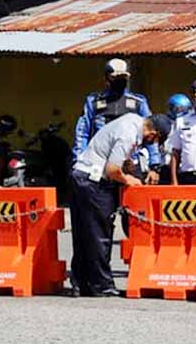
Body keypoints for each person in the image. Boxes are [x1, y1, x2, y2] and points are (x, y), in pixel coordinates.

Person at [70, 113, 173, 297]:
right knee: (100, 234)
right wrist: (129, 179)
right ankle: (101, 285)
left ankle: (80, 282)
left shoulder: (131, 120)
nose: (150, 143)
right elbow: (112, 170)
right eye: (155, 140)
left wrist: (124, 166)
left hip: (81, 176)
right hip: (93, 182)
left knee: (83, 233)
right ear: (153, 133)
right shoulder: (129, 134)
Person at [73, 58, 159, 184]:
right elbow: (82, 134)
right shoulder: (94, 102)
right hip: (99, 165)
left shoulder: (138, 102)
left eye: (123, 77)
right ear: (107, 78)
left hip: (130, 165)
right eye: (116, 77)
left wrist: (154, 166)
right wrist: (78, 160)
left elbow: (150, 132)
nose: (120, 81)